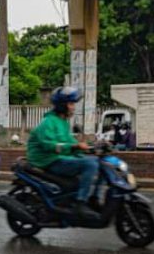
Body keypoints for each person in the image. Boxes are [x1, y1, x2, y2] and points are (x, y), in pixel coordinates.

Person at [26, 86, 99, 219]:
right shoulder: (48, 122)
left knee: (98, 162)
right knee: (90, 165)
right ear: (62, 106)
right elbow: (50, 145)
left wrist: (89, 148)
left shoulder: (62, 123)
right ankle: (80, 203)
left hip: (58, 158)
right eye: (71, 104)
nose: (73, 107)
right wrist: (75, 146)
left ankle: (94, 200)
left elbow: (70, 142)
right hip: (49, 161)